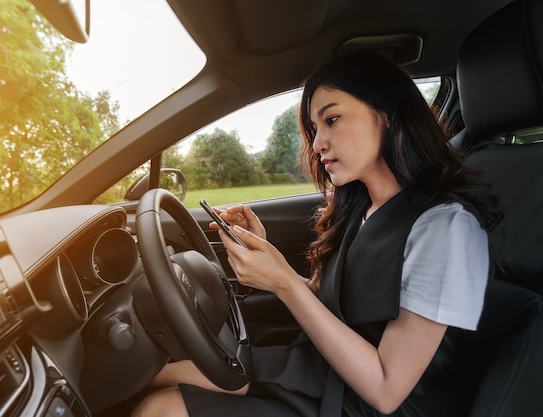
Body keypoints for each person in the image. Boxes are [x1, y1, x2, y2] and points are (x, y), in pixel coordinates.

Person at [131, 52, 499, 417]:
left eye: (332, 119)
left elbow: (388, 389)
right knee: (158, 375)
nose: (318, 141)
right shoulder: (360, 207)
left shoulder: (448, 228)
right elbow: (337, 305)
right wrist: (268, 260)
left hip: (368, 404)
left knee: (160, 408)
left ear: (387, 114)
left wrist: (283, 284)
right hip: (324, 370)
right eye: (314, 128)